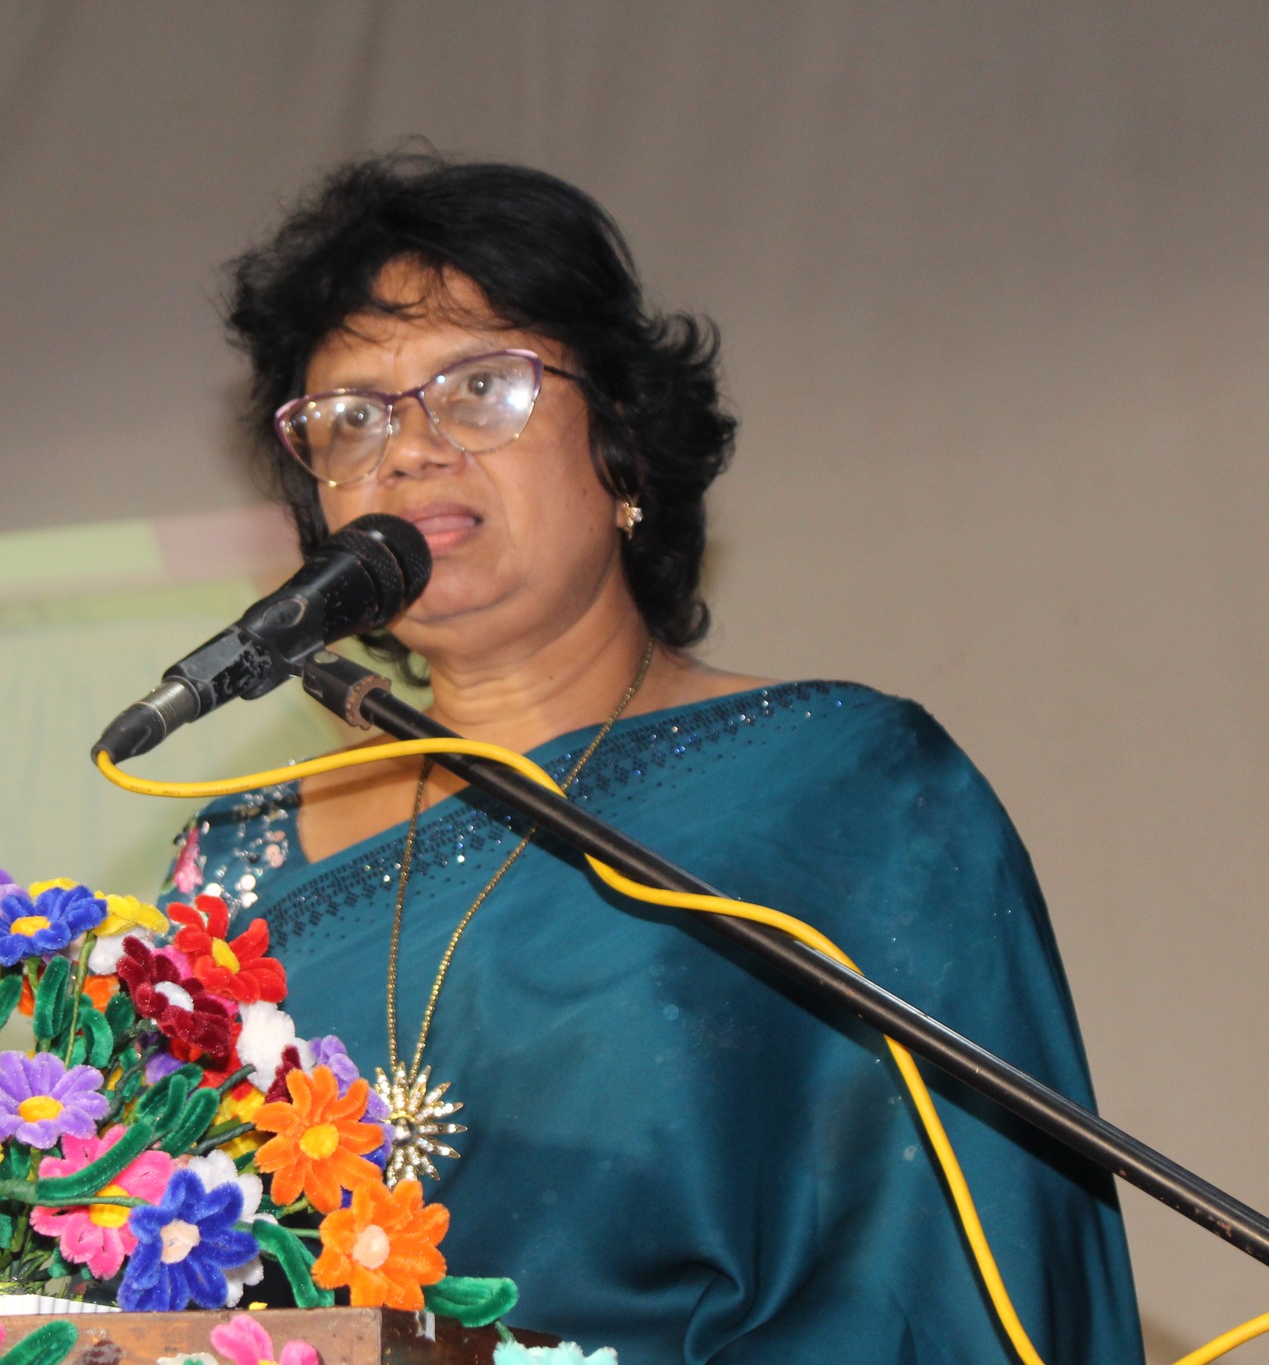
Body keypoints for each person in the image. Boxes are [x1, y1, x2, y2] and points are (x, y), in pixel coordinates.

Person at [165, 155, 1142, 1362]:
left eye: (480, 387)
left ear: (619, 445)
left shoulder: (840, 790)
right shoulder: (231, 865)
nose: (405, 450)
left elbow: (950, 1273)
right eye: (351, 418)